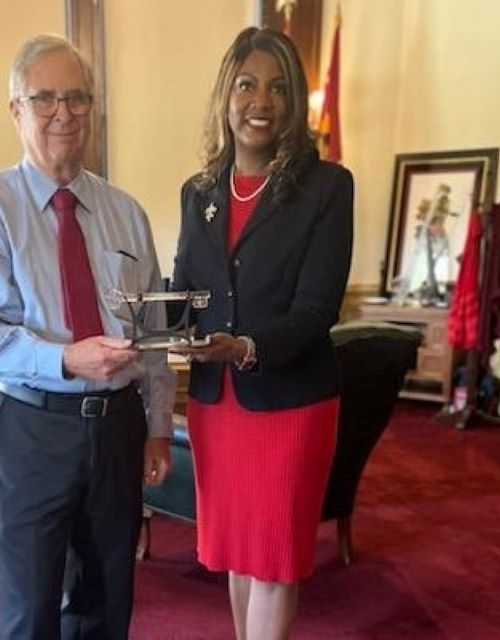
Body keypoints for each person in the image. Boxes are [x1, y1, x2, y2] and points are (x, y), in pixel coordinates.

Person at [0, 34, 174, 639]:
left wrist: (158, 428)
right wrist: (65, 360)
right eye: (45, 98)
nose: (63, 113)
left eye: (76, 98)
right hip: (31, 430)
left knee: (107, 603)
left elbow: (152, 334)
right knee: (29, 608)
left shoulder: (126, 211)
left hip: (118, 430)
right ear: (15, 109)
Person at [171, 27, 353, 639]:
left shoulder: (327, 187)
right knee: (236, 553)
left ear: (295, 102)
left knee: (273, 560)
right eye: (246, 85)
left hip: (290, 401)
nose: (261, 101)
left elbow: (316, 309)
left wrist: (247, 348)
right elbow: (186, 290)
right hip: (216, 405)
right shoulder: (198, 194)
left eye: (278, 88)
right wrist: (153, 320)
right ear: (226, 95)